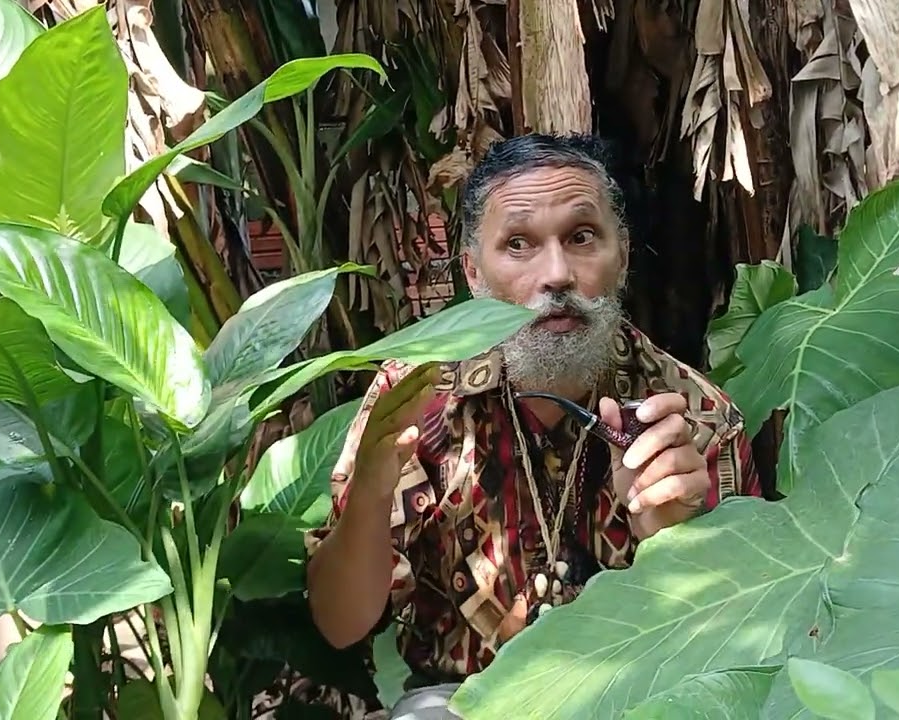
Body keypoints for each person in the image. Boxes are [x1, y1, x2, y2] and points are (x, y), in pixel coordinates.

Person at [303, 133, 761, 719]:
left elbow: (740, 646)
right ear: (473, 272)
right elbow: (340, 626)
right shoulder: (417, 399)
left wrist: (672, 541)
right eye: (518, 244)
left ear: (619, 254)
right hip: (465, 702)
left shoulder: (692, 419)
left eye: (581, 237)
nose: (557, 275)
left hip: (639, 697)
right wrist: (367, 493)